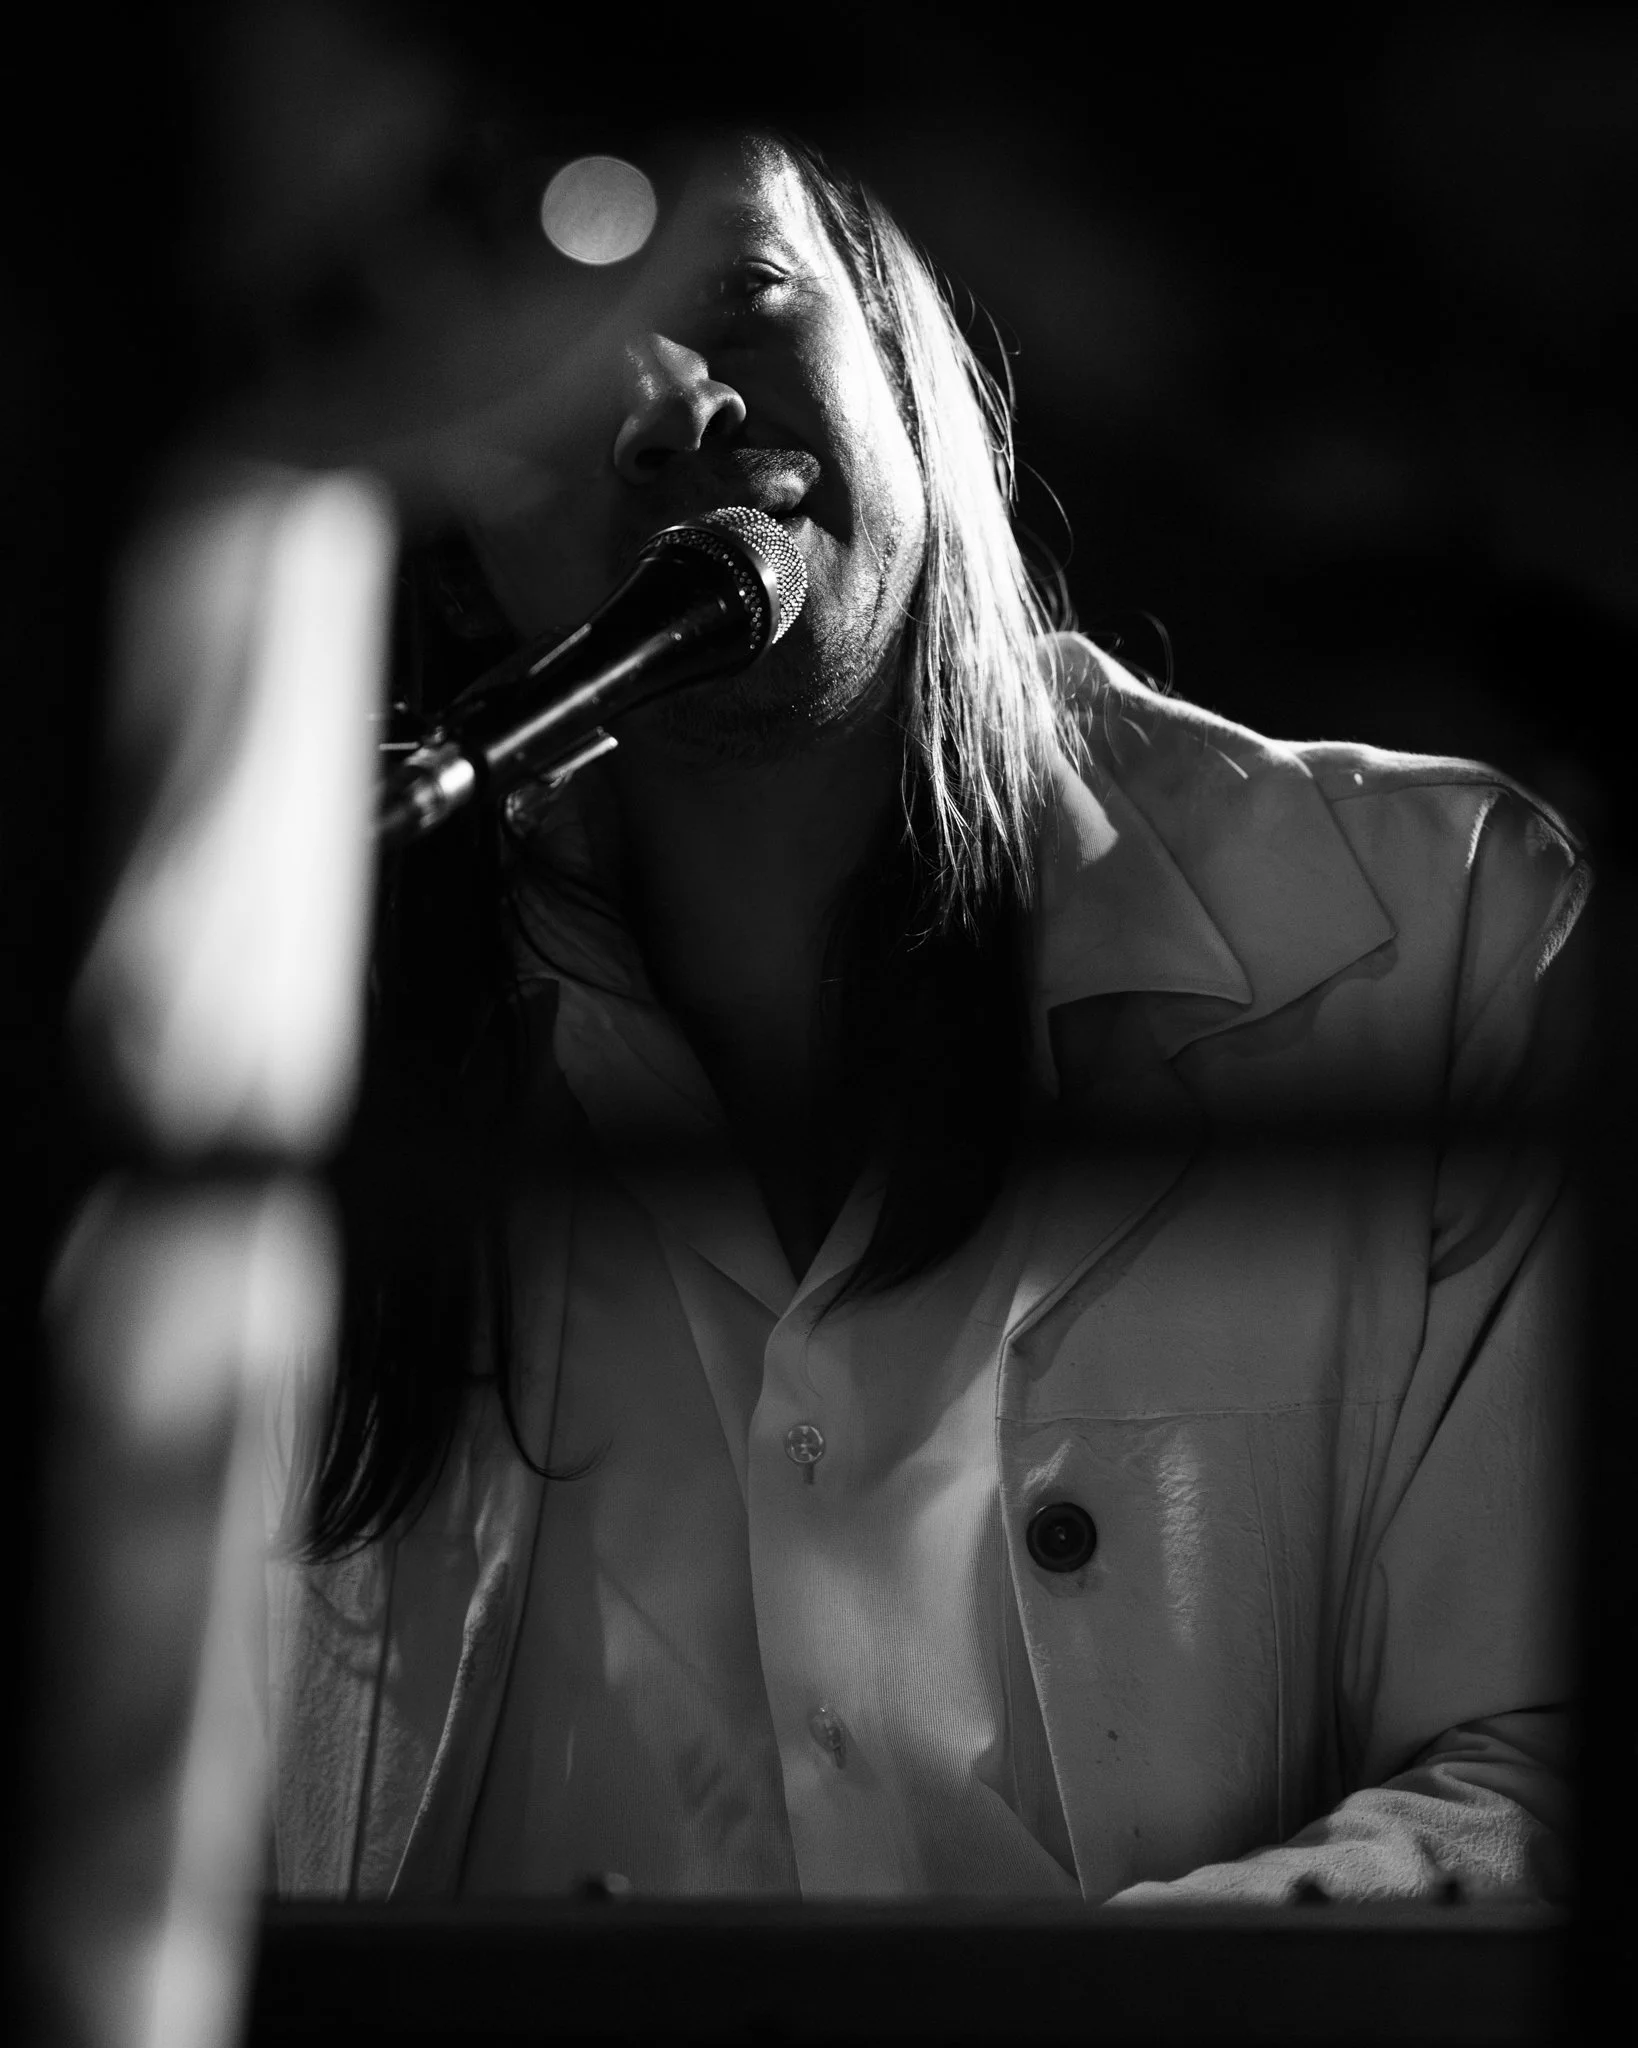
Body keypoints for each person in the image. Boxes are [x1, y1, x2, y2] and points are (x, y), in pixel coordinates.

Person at [262, 127, 1590, 1905]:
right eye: (544, 358)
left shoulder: (1434, 936)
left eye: (736, 291)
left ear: (905, 344)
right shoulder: (292, 1038)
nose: (666, 408)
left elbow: (1546, 1761)